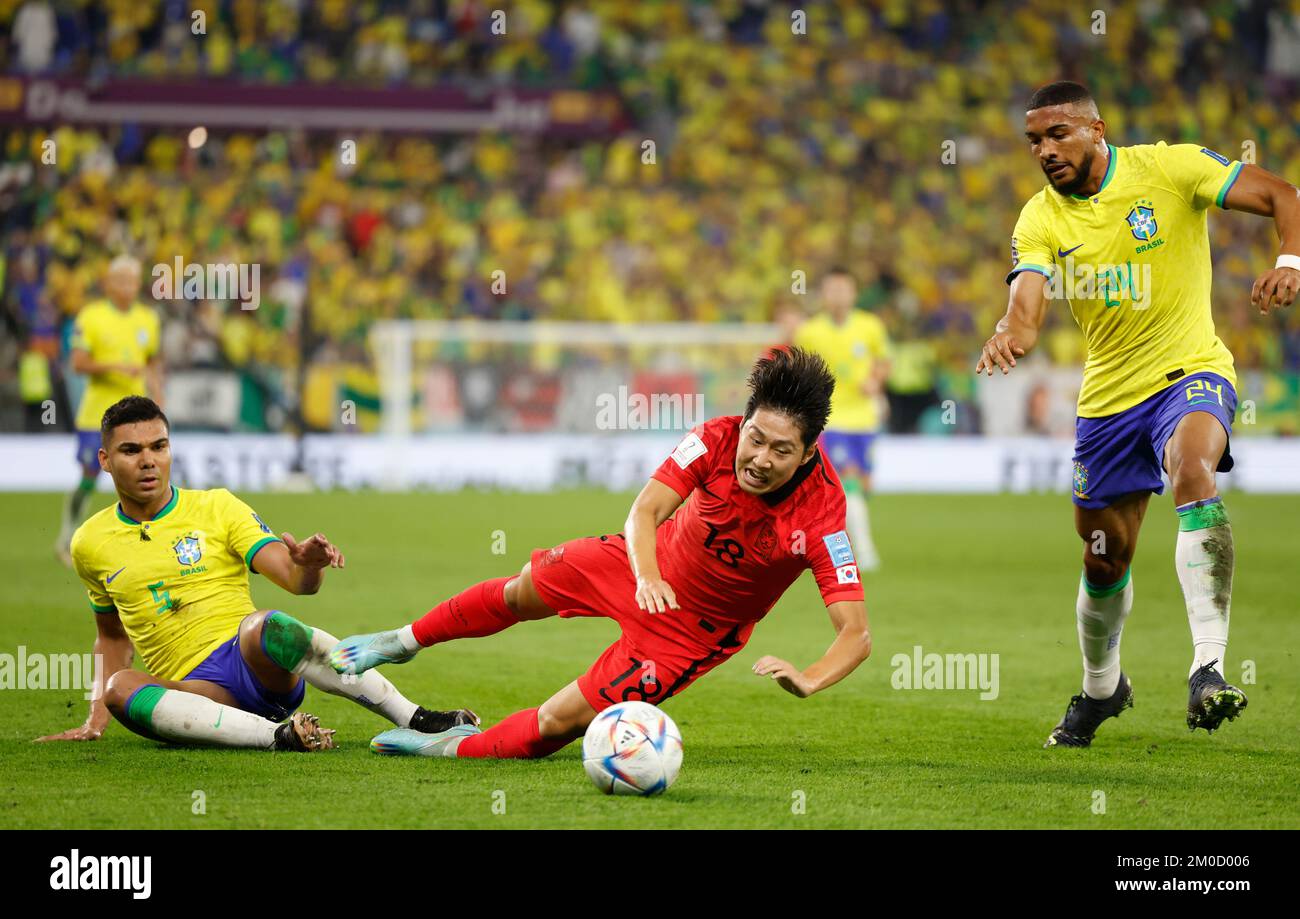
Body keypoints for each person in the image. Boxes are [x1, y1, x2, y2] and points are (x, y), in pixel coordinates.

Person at [330, 347, 873, 759]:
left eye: (782, 450)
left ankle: (443, 747)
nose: (759, 458)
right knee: (524, 589)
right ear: (744, 422)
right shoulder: (714, 437)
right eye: (756, 438)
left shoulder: (822, 513)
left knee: (560, 723)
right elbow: (644, 513)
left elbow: (856, 633)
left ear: (807, 456)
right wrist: (647, 573)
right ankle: (401, 641)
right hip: (641, 562)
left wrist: (809, 677)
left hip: (691, 634)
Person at [977, 81, 1299, 747]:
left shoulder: (1170, 168)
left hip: (1191, 371)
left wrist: (1290, 260)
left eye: (1056, 134)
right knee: (1103, 557)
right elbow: (1028, 306)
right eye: (1034, 140)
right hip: (1107, 404)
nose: (1044, 150)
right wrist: (1011, 330)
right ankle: (1102, 688)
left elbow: (1280, 195)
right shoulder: (1039, 217)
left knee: (1192, 469)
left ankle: (1207, 668)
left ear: (1096, 129)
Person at [38, 395, 475, 752]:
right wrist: (96, 717)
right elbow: (112, 637)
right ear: (105, 460)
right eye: (131, 451)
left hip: (256, 667)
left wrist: (307, 565)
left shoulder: (217, 507)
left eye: (159, 446)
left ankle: (416, 718)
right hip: (194, 696)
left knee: (267, 625)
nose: (148, 461)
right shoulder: (90, 542)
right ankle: (279, 738)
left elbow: (294, 581)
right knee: (119, 687)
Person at [57, 256, 163, 566]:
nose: (131, 288)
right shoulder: (91, 317)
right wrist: (114, 366)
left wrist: (158, 395)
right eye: (124, 281)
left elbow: (153, 361)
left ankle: (146, 539)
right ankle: (67, 536)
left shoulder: (148, 318)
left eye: (134, 281)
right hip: (97, 417)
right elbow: (77, 362)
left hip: (137, 417)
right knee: (91, 475)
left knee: (145, 474)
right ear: (110, 284)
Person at [795, 267, 891, 570]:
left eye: (843, 289)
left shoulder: (870, 326)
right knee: (847, 482)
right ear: (824, 294)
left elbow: (884, 361)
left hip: (865, 419)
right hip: (831, 420)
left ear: (853, 293)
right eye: (832, 290)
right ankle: (865, 552)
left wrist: (876, 381)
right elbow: (801, 373)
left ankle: (831, 542)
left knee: (860, 488)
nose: (838, 296)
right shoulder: (809, 332)